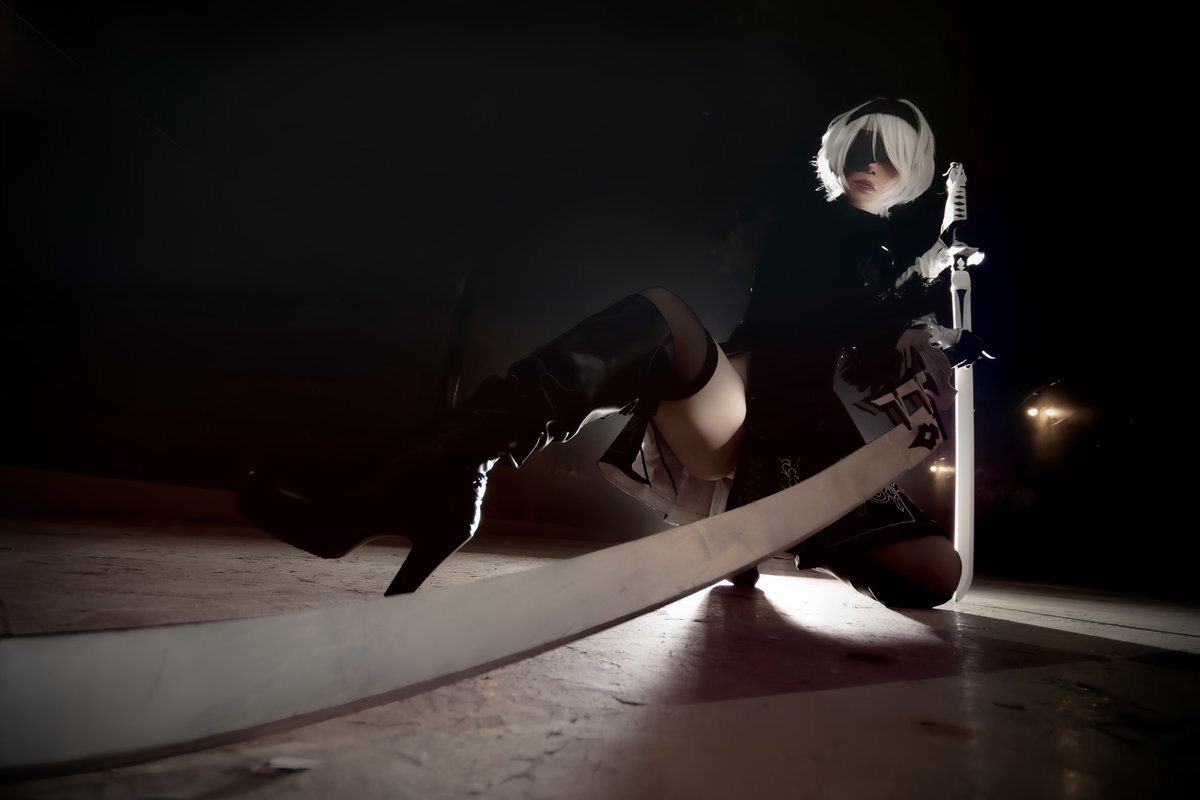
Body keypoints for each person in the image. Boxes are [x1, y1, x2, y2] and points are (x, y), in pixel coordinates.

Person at [236, 97, 987, 607]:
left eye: (887, 156)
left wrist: (934, 290)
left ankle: (776, 537)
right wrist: (926, 276)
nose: (868, 162)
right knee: (659, 314)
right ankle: (428, 475)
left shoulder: (882, 259)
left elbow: (869, 346)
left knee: (936, 576)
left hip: (816, 444)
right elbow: (822, 315)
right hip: (740, 411)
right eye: (860, 147)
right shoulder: (815, 229)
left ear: (910, 171)